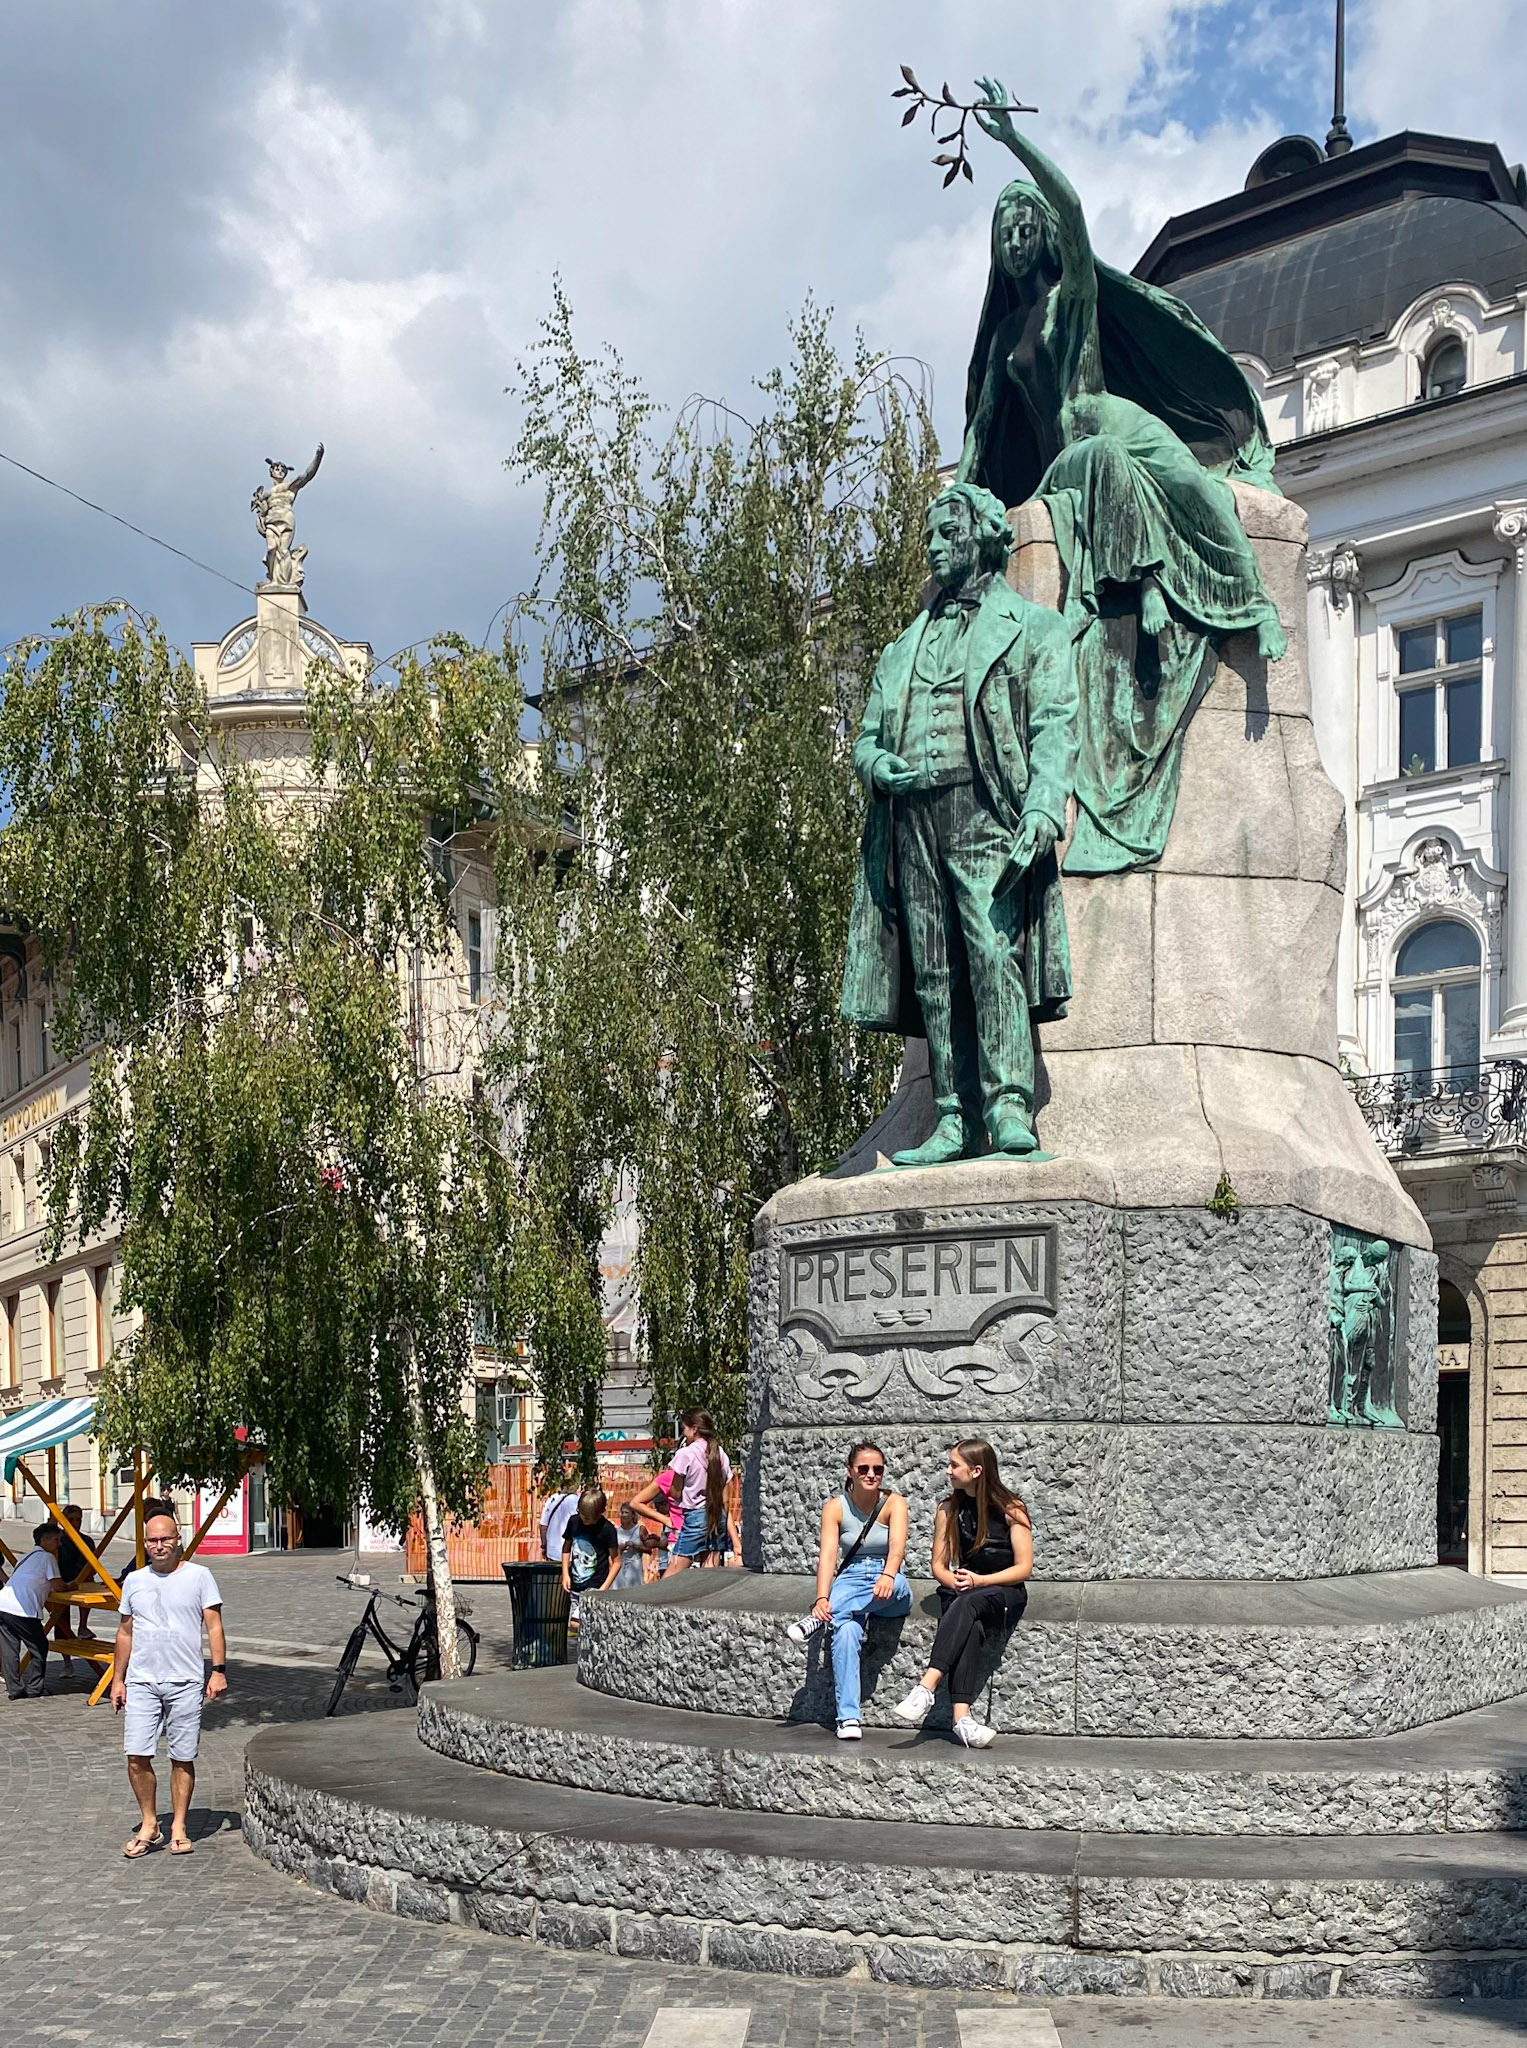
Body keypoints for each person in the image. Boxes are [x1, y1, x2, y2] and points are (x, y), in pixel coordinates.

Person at [892, 1439, 1032, 1748]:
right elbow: (939, 1566)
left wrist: (980, 1582)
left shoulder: (1011, 1508)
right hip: (966, 1591)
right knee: (970, 1621)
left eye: (955, 1465)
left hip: (1004, 1594)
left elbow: (1024, 1569)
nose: (948, 1471)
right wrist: (954, 1582)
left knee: (969, 1602)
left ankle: (926, 1686)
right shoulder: (948, 1508)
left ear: (977, 1470)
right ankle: (962, 1721)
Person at [111, 1504, 228, 1858]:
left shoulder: (199, 1575)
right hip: (142, 1681)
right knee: (136, 1756)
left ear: (178, 1540)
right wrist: (118, 1680)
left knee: (182, 1756)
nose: (160, 1545)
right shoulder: (134, 1580)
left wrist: (219, 1671)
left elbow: (214, 1625)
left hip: (185, 1681)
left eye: (166, 1538)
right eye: (153, 1540)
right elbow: (125, 1632)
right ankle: (150, 1822)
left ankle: (178, 1825)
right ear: (145, 1544)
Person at [790, 1443, 911, 1740]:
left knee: (896, 1588)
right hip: (851, 1577)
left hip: (886, 1575)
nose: (871, 1474)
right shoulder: (835, 1508)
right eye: (864, 1469)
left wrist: (887, 1573)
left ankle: (822, 1619)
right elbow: (828, 1557)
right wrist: (821, 1597)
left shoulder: (894, 1503)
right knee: (845, 1634)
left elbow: (897, 1548)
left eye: (878, 1469)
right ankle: (847, 1718)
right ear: (850, 1472)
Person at [630, 1409, 731, 1573]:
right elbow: (725, 1496)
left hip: (696, 1516)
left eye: (684, 1428)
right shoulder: (720, 1453)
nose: (683, 1432)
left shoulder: (686, 1454)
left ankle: (658, 1599)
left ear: (694, 1429)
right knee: (710, 1571)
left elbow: (675, 1492)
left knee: (674, 1570)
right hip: (717, 1515)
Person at [0, 1523, 63, 1700]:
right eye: (56, 1540)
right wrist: (72, 1585)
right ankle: (35, 1687)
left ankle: (15, 1689)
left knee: (10, 1648)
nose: (59, 1545)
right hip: (23, 1610)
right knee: (39, 1647)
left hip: (3, 1604)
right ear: (44, 1540)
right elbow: (58, 1586)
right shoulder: (47, 1558)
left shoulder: (25, 1557)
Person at [561, 1489, 620, 1612]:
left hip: (596, 1586)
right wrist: (565, 1574)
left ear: (601, 1512)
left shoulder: (607, 1529)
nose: (584, 1520)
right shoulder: (574, 1522)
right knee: (575, 1622)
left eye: (589, 1518)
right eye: (582, 1515)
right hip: (576, 1584)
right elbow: (566, 1548)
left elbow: (617, 1562)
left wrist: (604, 1588)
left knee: (583, 1623)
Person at [57, 1503, 97, 1652]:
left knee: (90, 1589)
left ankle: (83, 1626)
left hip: (81, 1581)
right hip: (62, 1581)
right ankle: (67, 1662)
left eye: (78, 1520)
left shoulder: (87, 1541)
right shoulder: (59, 1541)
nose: (75, 1523)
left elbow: (93, 1566)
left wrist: (87, 1576)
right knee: (61, 1620)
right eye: (71, 1520)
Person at [538, 1483, 580, 1566]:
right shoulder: (578, 1501)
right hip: (571, 1554)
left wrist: (544, 1546)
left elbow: (543, 1526)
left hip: (552, 1552)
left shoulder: (552, 1499)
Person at [613, 1501, 647, 1589]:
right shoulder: (616, 1531)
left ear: (632, 1515)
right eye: (622, 1512)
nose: (623, 1515)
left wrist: (635, 1546)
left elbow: (649, 1549)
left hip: (635, 1566)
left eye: (626, 1512)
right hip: (620, 1566)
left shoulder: (640, 1529)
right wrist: (619, 1549)